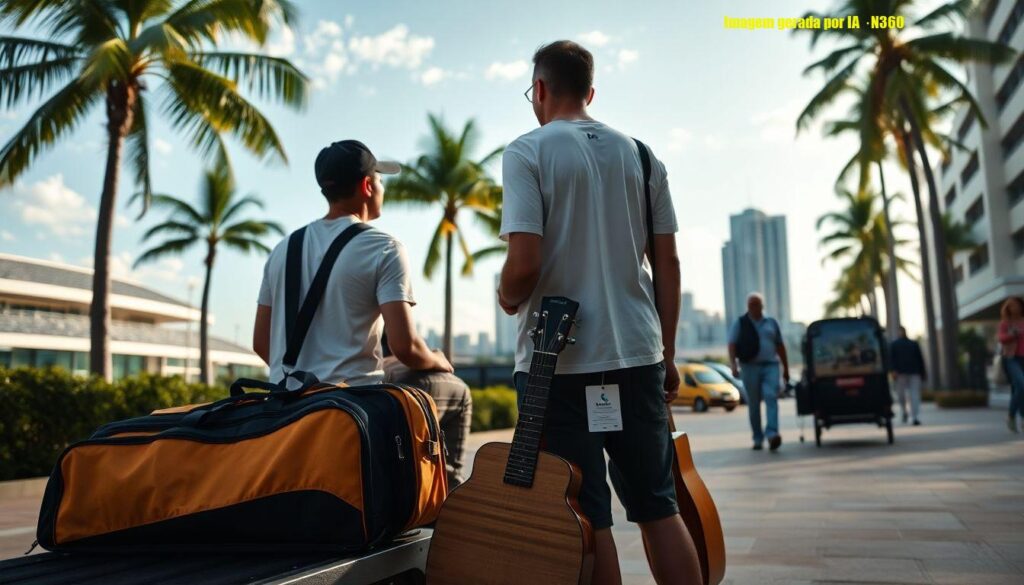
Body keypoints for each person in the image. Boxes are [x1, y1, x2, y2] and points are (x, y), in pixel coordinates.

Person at [497, 40, 701, 585]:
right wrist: (668, 353)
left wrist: (507, 295)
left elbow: (525, 260)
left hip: (557, 364)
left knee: (585, 520)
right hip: (637, 354)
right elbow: (668, 262)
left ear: (539, 90)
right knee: (660, 509)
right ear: (590, 92)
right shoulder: (640, 154)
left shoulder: (527, 151)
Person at [252, 140, 452, 389]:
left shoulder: (283, 249)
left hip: (288, 406)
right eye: (379, 179)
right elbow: (406, 347)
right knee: (454, 389)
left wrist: (309, 385)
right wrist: (437, 359)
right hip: (352, 405)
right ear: (367, 186)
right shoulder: (383, 247)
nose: (381, 186)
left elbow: (261, 342)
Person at [381, 335, 472, 486]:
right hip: (375, 385)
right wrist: (437, 357)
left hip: (331, 390)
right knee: (460, 391)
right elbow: (407, 348)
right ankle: (449, 487)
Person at [728, 292, 790, 451]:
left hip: (771, 366)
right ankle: (757, 438)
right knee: (753, 404)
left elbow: (780, 346)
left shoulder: (771, 323)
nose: (754, 307)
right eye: (751, 305)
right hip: (749, 367)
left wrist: (786, 369)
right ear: (747, 307)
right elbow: (732, 344)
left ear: (763, 306)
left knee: (771, 396)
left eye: (757, 304)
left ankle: (772, 434)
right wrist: (733, 365)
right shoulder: (740, 323)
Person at [890, 326, 926, 426]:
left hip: (914, 373)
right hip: (900, 374)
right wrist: (893, 371)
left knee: (914, 395)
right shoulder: (894, 345)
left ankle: (915, 417)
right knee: (901, 395)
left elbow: (920, 359)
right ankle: (904, 411)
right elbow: (891, 359)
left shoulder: (913, 344)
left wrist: (922, 373)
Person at [998, 296, 1024, 433]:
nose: (1014, 308)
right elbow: (1001, 338)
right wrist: (1013, 334)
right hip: (1012, 358)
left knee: (1018, 390)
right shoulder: (1005, 323)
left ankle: (1015, 417)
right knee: (1021, 385)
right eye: (1011, 305)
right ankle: (1013, 416)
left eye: (1016, 305)